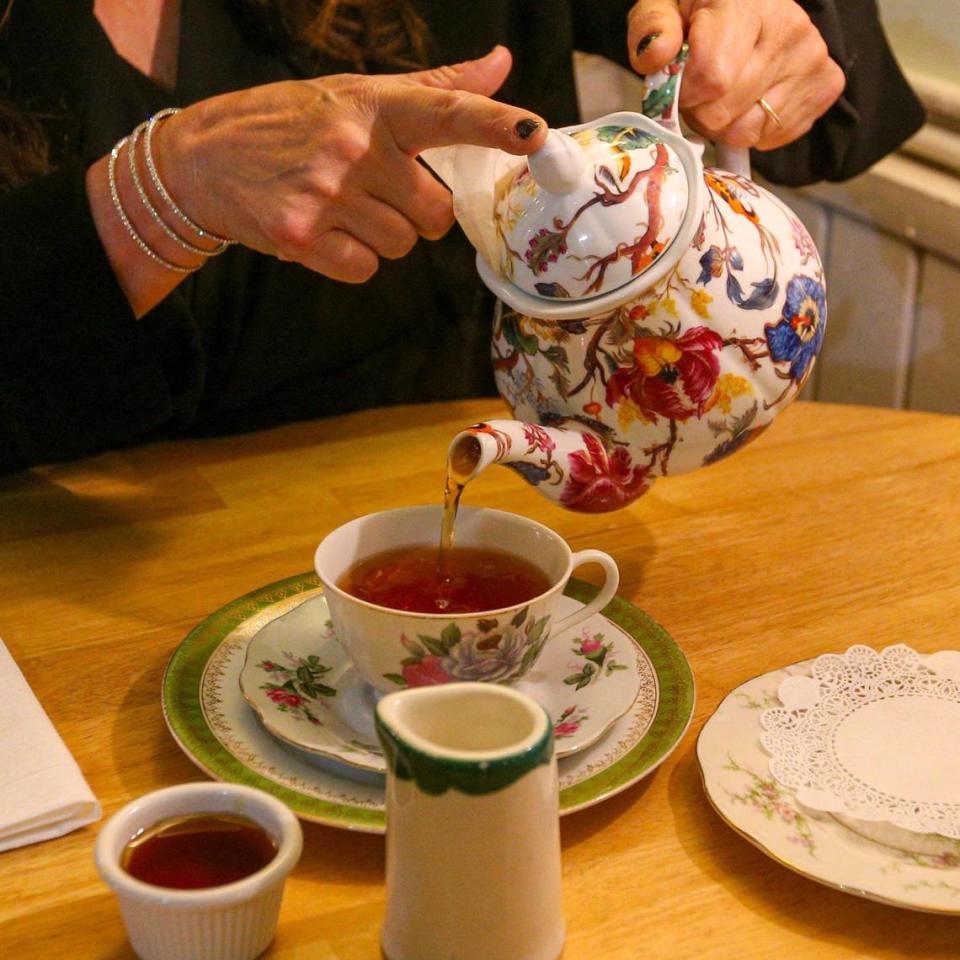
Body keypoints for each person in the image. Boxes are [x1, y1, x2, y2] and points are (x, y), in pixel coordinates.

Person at [0, 0, 923, 473]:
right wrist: (157, 192)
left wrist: (763, 36)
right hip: (63, 580)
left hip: (464, 500)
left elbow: (835, 80)